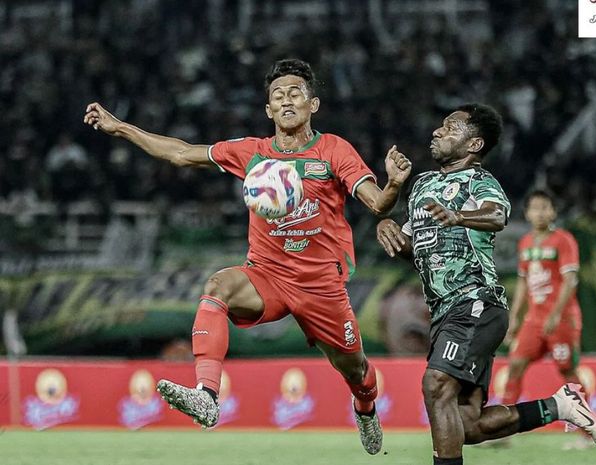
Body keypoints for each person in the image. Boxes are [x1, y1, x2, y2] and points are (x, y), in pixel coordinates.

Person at [84, 59, 412, 454]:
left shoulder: (333, 150)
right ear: (268, 110)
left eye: (296, 94)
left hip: (321, 286)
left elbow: (377, 203)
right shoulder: (253, 153)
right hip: (267, 276)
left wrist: (393, 183)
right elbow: (182, 153)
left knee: (355, 370)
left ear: (314, 105)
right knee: (218, 286)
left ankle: (364, 407)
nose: (287, 100)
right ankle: (207, 395)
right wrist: (120, 127)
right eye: (278, 96)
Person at [376, 103, 596, 465]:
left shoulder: (481, 183)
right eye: (440, 125)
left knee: (435, 384)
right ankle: (560, 405)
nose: (437, 132)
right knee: (468, 424)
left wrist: (459, 216)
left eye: (450, 127)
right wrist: (390, 230)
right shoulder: (421, 185)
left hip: (475, 303)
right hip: (444, 312)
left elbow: (497, 215)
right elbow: (417, 248)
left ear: (474, 145)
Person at [501, 189, 589, 446]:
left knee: (568, 371)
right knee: (515, 365)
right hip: (534, 321)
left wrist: (556, 314)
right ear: (527, 213)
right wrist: (515, 318)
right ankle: (503, 430)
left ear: (553, 211)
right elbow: (523, 285)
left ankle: (586, 432)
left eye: (545, 207)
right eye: (535, 208)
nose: (540, 212)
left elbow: (570, 280)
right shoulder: (525, 243)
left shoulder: (564, 240)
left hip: (561, 320)